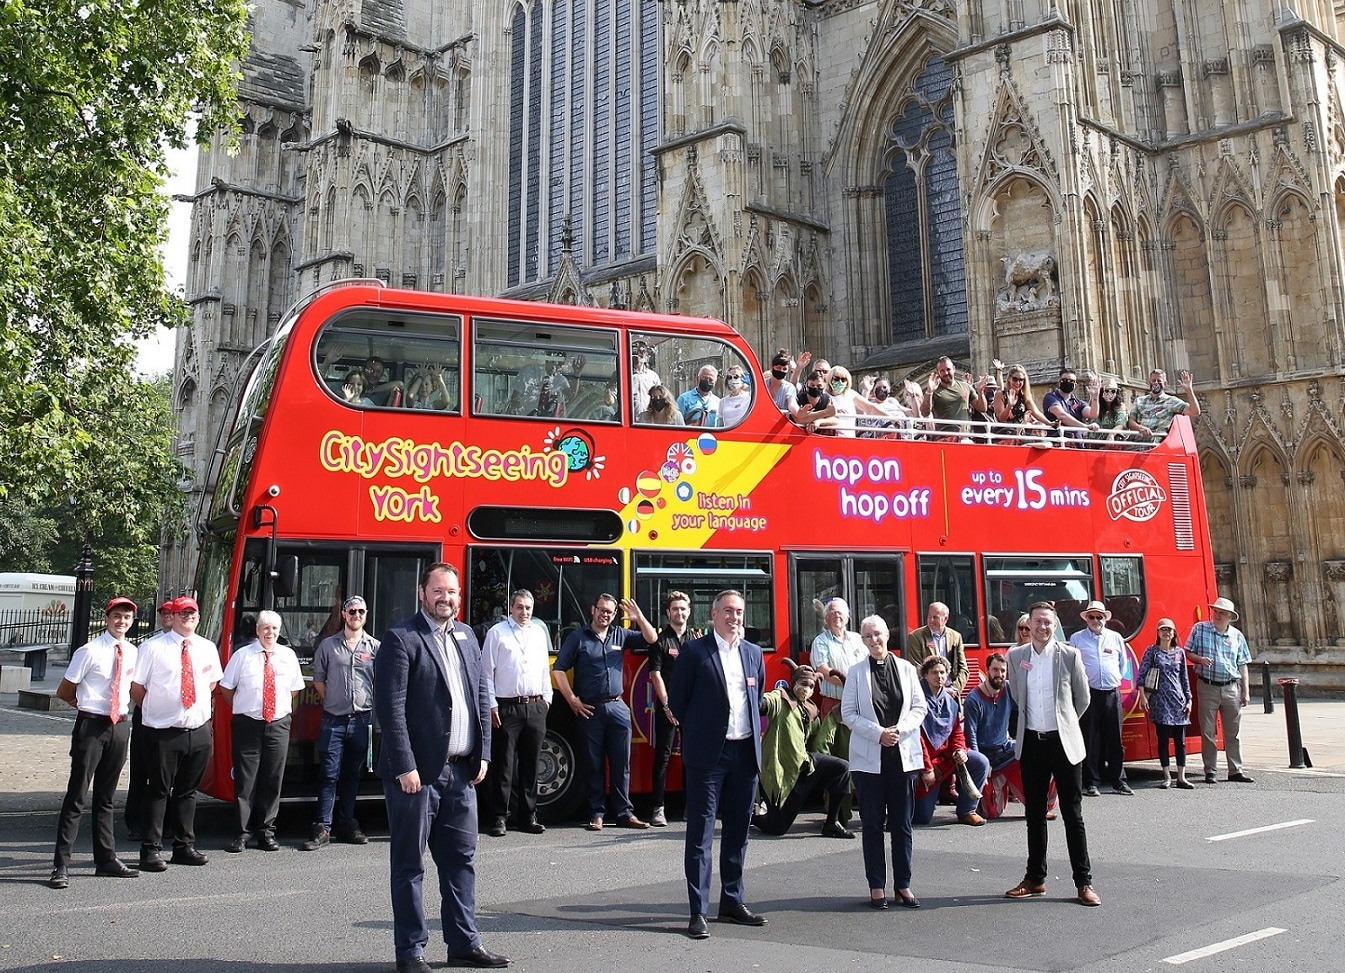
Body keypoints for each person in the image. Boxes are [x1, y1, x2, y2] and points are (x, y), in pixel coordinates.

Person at [373, 562, 508, 971]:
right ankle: (410, 951)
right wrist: (405, 766)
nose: (445, 598)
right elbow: (390, 708)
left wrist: (483, 752)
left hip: (462, 773)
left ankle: (464, 943)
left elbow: (481, 691)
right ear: (422, 593)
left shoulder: (468, 636)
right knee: (410, 866)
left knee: (461, 861)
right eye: (437, 591)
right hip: (417, 777)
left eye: (451, 592)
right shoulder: (401, 638)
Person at [666, 589, 767, 939]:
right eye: (727, 611)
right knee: (700, 836)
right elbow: (676, 703)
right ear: (713, 615)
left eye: (739, 611)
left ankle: (732, 901)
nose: (734, 617)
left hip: (745, 754)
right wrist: (702, 731)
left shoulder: (754, 654)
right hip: (708, 757)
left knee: (738, 833)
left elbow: (756, 699)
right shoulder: (695, 653)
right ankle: (698, 911)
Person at [1004, 602, 1100, 907]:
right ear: (1028, 625)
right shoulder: (1016, 656)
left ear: (1054, 624)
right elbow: (1017, 696)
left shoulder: (1069, 655)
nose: (1043, 627)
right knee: (1034, 813)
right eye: (1037, 622)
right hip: (1032, 742)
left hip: (1063, 743)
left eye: (1048, 622)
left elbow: (1082, 698)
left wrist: (1064, 720)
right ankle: (1035, 878)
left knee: (1073, 814)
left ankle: (1083, 882)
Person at [49, 596, 141, 888]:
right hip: (92, 724)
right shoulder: (89, 651)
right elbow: (65, 690)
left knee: (106, 797)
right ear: (106, 618)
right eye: (117, 616)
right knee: (77, 795)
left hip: (119, 726)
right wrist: (86, 708)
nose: (121, 621)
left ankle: (106, 859)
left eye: (126, 617)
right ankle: (61, 864)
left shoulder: (133, 651)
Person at [129, 596, 222, 872]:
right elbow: (137, 688)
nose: (187, 617)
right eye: (182, 613)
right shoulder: (152, 647)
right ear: (174, 616)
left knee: (187, 791)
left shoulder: (206, 647)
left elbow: (212, 682)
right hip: (162, 731)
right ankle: (150, 850)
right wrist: (157, 710)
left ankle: (183, 846)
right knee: (158, 790)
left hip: (198, 729)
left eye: (192, 613)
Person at [840, 615, 927, 910]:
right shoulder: (855, 673)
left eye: (877, 634)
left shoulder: (906, 669)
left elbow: (919, 707)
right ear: (862, 641)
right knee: (873, 824)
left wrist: (899, 731)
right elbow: (848, 713)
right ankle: (876, 885)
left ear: (887, 634)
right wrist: (878, 734)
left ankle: (903, 884)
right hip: (869, 760)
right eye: (867, 636)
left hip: (902, 756)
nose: (873, 640)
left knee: (902, 824)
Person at [551, 594, 657, 830]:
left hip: (618, 707)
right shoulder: (578, 638)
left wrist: (638, 617)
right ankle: (596, 814)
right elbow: (559, 670)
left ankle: (624, 813)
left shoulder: (621, 634)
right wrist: (572, 700)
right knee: (594, 763)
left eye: (609, 611)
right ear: (593, 609)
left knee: (622, 764)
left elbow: (652, 638)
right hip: (589, 708)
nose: (605, 614)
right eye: (601, 610)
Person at [220, 609, 306, 853]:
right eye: (265, 628)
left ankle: (266, 831)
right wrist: (246, 706)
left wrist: (274, 709)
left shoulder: (288, 656)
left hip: (278, 724)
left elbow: (294, 690)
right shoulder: (242, 656)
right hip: (248, 723)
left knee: (272, 778)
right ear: (257, 631)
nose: (270, 633)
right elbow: (227, 689)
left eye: (274, 629)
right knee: (245, 780)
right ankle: (242, 832)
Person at [303, 595, 379, 851]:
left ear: (365, 615)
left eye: (361, 612)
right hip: (333, 721)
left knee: (351, 775)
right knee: (328, 774)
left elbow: (379, 683)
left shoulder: (375, 647)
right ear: (344, 615)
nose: (356, 616)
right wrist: (335, 702)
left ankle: (347, 822)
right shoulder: (328, 646)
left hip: (361, 721)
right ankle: (323, 826)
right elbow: (319, 681)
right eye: (352, 611)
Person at [753, 662, 853, 839]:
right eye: (803, 684)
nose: (806, 689)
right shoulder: (781, 698)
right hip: (782, 773)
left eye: (810, 686)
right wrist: (755, 699)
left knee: (841, 768)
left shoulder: (811, 709)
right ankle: (753, 817)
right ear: (794, 682)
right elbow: (765, 703)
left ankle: (832, 822)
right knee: (777, 828)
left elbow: (817, 743)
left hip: (805, 766)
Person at [480, 589, 551, 836]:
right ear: (510, 608)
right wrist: (491, 704)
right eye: (520, 607)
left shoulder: (539, 633)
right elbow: (486, 673)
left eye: (528, 608)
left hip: (535, 705)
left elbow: (544, 669)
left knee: (532, 764)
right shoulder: (497, 633)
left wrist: (547, 700)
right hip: (507, 706)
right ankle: (500, 817)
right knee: (504, 766)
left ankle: (529, 816)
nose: (524, 612)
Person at [963, 651, 1058, 820]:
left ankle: (1039, 807)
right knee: (992, 813)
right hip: (987, 757)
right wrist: (981, 766)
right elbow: (970, 737)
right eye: (995, 670)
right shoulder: (973, 700)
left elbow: (1026, 709)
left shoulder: (1007, 688)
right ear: (987, 670)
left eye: (1002, 671)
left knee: (1041, 757)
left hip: (1006, 749)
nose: (999, 674)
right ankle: (990, 794)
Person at [1185, 596, 1254, 784]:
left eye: (1221, 612)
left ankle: (1235, 770)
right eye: (1215, 611)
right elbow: (1187, 651)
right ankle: (1210, 770)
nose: (1216, 614)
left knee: (1233, 732)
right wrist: (1199, 660)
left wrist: (1245, 691)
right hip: (1207, 685)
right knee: (1208, 732)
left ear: (1230, 617)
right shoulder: (1200, 629)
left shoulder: (1237, 636)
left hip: (1231, 687)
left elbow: (1242, 664)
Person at [913, 656, 989, 827]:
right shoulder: (916, 699)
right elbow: (917, 738)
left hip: (947, 757)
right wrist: (927, 769)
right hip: (925, 764)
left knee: (980, 761)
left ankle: (967, 811)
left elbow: (956, 732)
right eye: (934, 672)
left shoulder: (950, 701)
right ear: (925, 675)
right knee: (921, 818)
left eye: (942, 672)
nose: (939, 676)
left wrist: (959, 750)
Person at [1068, 600, 1132, 797]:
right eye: (1092, 617)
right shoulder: (1077, 638)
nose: (1096, 620)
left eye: (1099, 617)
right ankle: (1092, 782)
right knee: (1090, 739)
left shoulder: (1115, 638)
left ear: (1105, 619)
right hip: (1089, 694)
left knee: (1115, 739)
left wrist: (1114, 679)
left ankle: (1118, 781)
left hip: (1112, 693)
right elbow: (1073, 668)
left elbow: (1123, 665)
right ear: (1086, 619)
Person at [124, 599, 175, 842]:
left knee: (166, 775)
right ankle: (135, 821)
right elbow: (137, 685)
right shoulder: (149, 646)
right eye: (163, 612)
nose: (166, 616)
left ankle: (166, 821)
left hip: (172, 718)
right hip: (147, 714)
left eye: (170, 613)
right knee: (142, 770)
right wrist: (151, 708)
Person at [647, 590, 695, 828]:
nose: (679, 612)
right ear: (668, 613)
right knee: (663, 758)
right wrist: (667, 705)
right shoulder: (660, 640)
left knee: (691, 758)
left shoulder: (695, 641)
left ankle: (690, 806)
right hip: (667, 708)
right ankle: (658, 808)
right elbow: (655, 674)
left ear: (689, 611)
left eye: (683, 608)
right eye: (675, 609)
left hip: (691, 708)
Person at [1136, 618, 1194, 789]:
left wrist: (1189, 699)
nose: (1166, 632)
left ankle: (1181, 776)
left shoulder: (1179, 653)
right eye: (1163, 629)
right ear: (1158, 632)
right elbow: (1142, 674)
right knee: (1163, 740)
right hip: (1160, 701)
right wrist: (1142, 696)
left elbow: (1184, 678)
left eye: (1169, 630)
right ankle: (1167, 776)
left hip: (1178, 701)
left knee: (1180, 741)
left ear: (1174, 633)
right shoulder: (1152, 651)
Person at [904, 601, 969, 700]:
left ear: (946, 619)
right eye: (929, 616)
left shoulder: (956, 637)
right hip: (928, 696)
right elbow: (916, 669)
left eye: (935, 617)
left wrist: (954, 689)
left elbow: (963, 669)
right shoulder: (916, 637)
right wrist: (940, 690)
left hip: (951, 695)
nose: (931, 620)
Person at [920, 356, 988, 440]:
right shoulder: (934, 390)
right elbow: (924, 413)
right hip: (944, 438)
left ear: (954, 369)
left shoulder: (966, 386)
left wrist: (980, 392)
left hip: (964, 437)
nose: (945, 373)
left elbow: (982, 408)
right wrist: (929, 391)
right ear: (937, 372)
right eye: (942, 371)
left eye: (948, 369)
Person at [1130, 368, 1202, 441]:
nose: (1156, 383)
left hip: (1157, 446)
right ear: (1149, 382)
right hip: (1136, 444)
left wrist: (1189, 390)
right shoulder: (1139, 400)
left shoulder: (1172, 401)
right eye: (1153, 380)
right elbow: (1131, 421)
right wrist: (1140, 428)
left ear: (1165, 383)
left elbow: (1195, 412)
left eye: (1159, 381)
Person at [993, 364, 1053, 442]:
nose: (1018, 382)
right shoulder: (1000, 395)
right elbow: (1001, 418)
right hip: (1004, 432)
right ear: (1009, 379)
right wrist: (1009, 406)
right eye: (1015, 379)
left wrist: (1049, 423)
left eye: (1021, 380)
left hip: (1021, 432)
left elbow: (1036, 412)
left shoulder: (1025, 396)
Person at [1042, 367, 1099, 441]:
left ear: (1076, 384)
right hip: (1057, 443)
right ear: (1059, 382)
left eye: (1071, 381)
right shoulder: (1051, 397)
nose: (1068, 382)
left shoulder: (1078, 403)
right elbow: (1062, 416)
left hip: (1077, 444)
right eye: (1064, 380)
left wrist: (1095, 398)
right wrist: (1085, 426)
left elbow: (1093, 414)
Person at [1090, 375, 1146, 444]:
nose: (1110, 394)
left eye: (1113, 391)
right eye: (1107, 391)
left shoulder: (1120, 406)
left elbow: (1120, 424)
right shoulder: (1097, 405)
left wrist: (1111, 434)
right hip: (1096, 441)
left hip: (1114, 441)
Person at [629, 339, 661, 415]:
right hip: (628, 418)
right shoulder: (623, 374)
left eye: (642, 351)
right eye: (635, 352)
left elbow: (660, 397)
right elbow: (610, 401)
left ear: (646, 354)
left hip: (649, 419)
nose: (638, 354)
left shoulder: (653, 376)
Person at [762, 349, 798, 416]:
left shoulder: (789, 387)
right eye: (778, 368)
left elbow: (792, 404)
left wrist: (799, 412)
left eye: (784, 369)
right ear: (771, 367)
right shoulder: (762, 384)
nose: (781, 371)